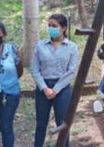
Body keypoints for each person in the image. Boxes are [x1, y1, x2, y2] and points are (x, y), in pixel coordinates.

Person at [31, 14, 79, 147]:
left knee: (63, 124)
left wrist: (56, 89)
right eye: (49, 26)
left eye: (54, 26)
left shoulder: (72, 47)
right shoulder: (40, 46)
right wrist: (45, 88)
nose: (50, 28)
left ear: (63, 28)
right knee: (41, 123)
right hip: (43, 88)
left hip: (62, 89)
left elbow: (72, 71)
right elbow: (34, 69)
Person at [0, 21, 23, 147]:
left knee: (6, 126)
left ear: (4, 35)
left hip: (9, 95)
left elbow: (19, 71)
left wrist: (7, 81)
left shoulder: (12, 50)